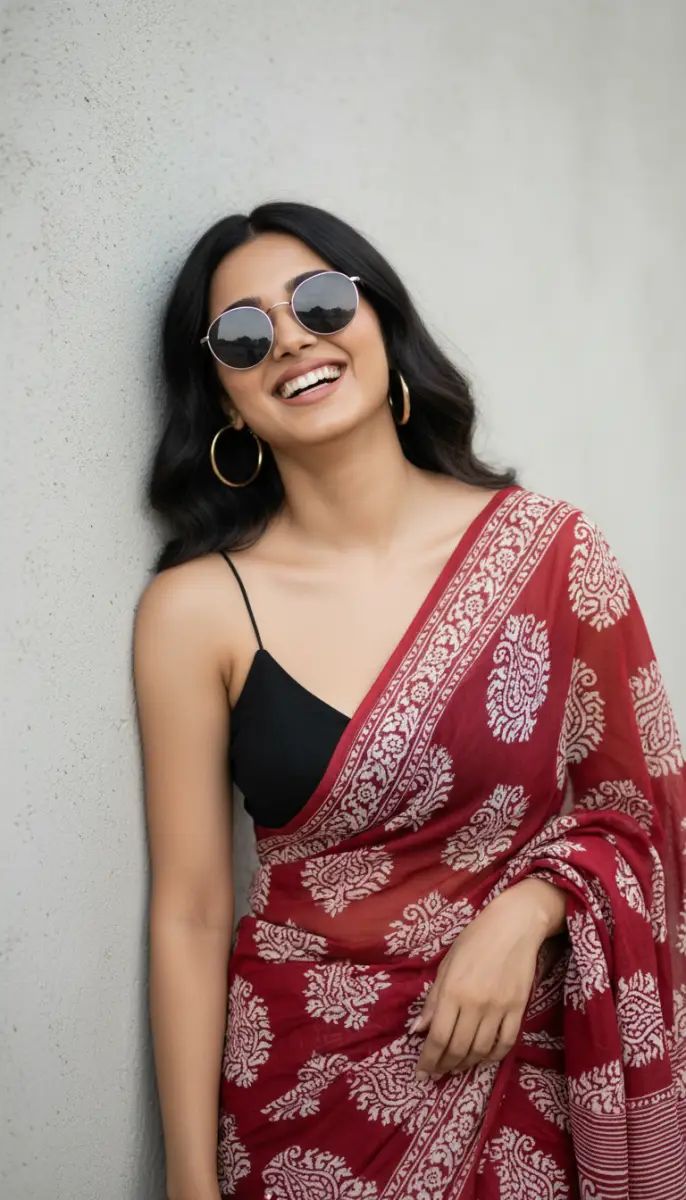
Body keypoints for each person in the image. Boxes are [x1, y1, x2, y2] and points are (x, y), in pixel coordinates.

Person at [134, 201, 686, 1200]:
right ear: (222, 401)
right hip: (300, 1097)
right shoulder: (196, 610)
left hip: (522, 1085)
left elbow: (643, 815)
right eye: (243, 335)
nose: (292, 338)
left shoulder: (549, 557)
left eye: (320, 302)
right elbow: (190, 906)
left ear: (380, 322)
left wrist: (527, 909)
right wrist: (186, 1179)